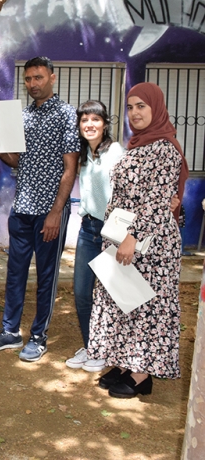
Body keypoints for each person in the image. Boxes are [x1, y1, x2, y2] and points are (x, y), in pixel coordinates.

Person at [88, 83, 188, 399]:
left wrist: (133, 237)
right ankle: (126, 364)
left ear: (156, 108)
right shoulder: (137, 146)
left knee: (148, 306)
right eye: (130, 107)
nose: (135, 113)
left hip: (150, 244)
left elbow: (157, 201)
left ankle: (142, 374)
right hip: (125, 235)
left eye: (141, 106)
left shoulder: (165, 148)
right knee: (123, 300)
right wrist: (115, 236)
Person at [0, 56, 80, 362]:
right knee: (15, 272)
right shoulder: (21, 117)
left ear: (52, 78)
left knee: (46, 276)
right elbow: (18, 161)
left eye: (38, 78)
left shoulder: (66, 115)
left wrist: (56, 211)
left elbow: (70, 168)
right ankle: (10, 332)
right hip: (22, 207)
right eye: (28, 79)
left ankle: (39, 337)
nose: (33, 84)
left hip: (50, 210)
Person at [64, 101, 125, 372]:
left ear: (105, 124)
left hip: (111, 231)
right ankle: (92, 345)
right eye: (84, 119)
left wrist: (122, 236)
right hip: (88, 229)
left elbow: (125, 195)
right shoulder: (85, 155)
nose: (89, 124)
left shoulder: (115, 152)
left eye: (95, 119)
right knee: (81, 292)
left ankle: (106, 350)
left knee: (110, 295)